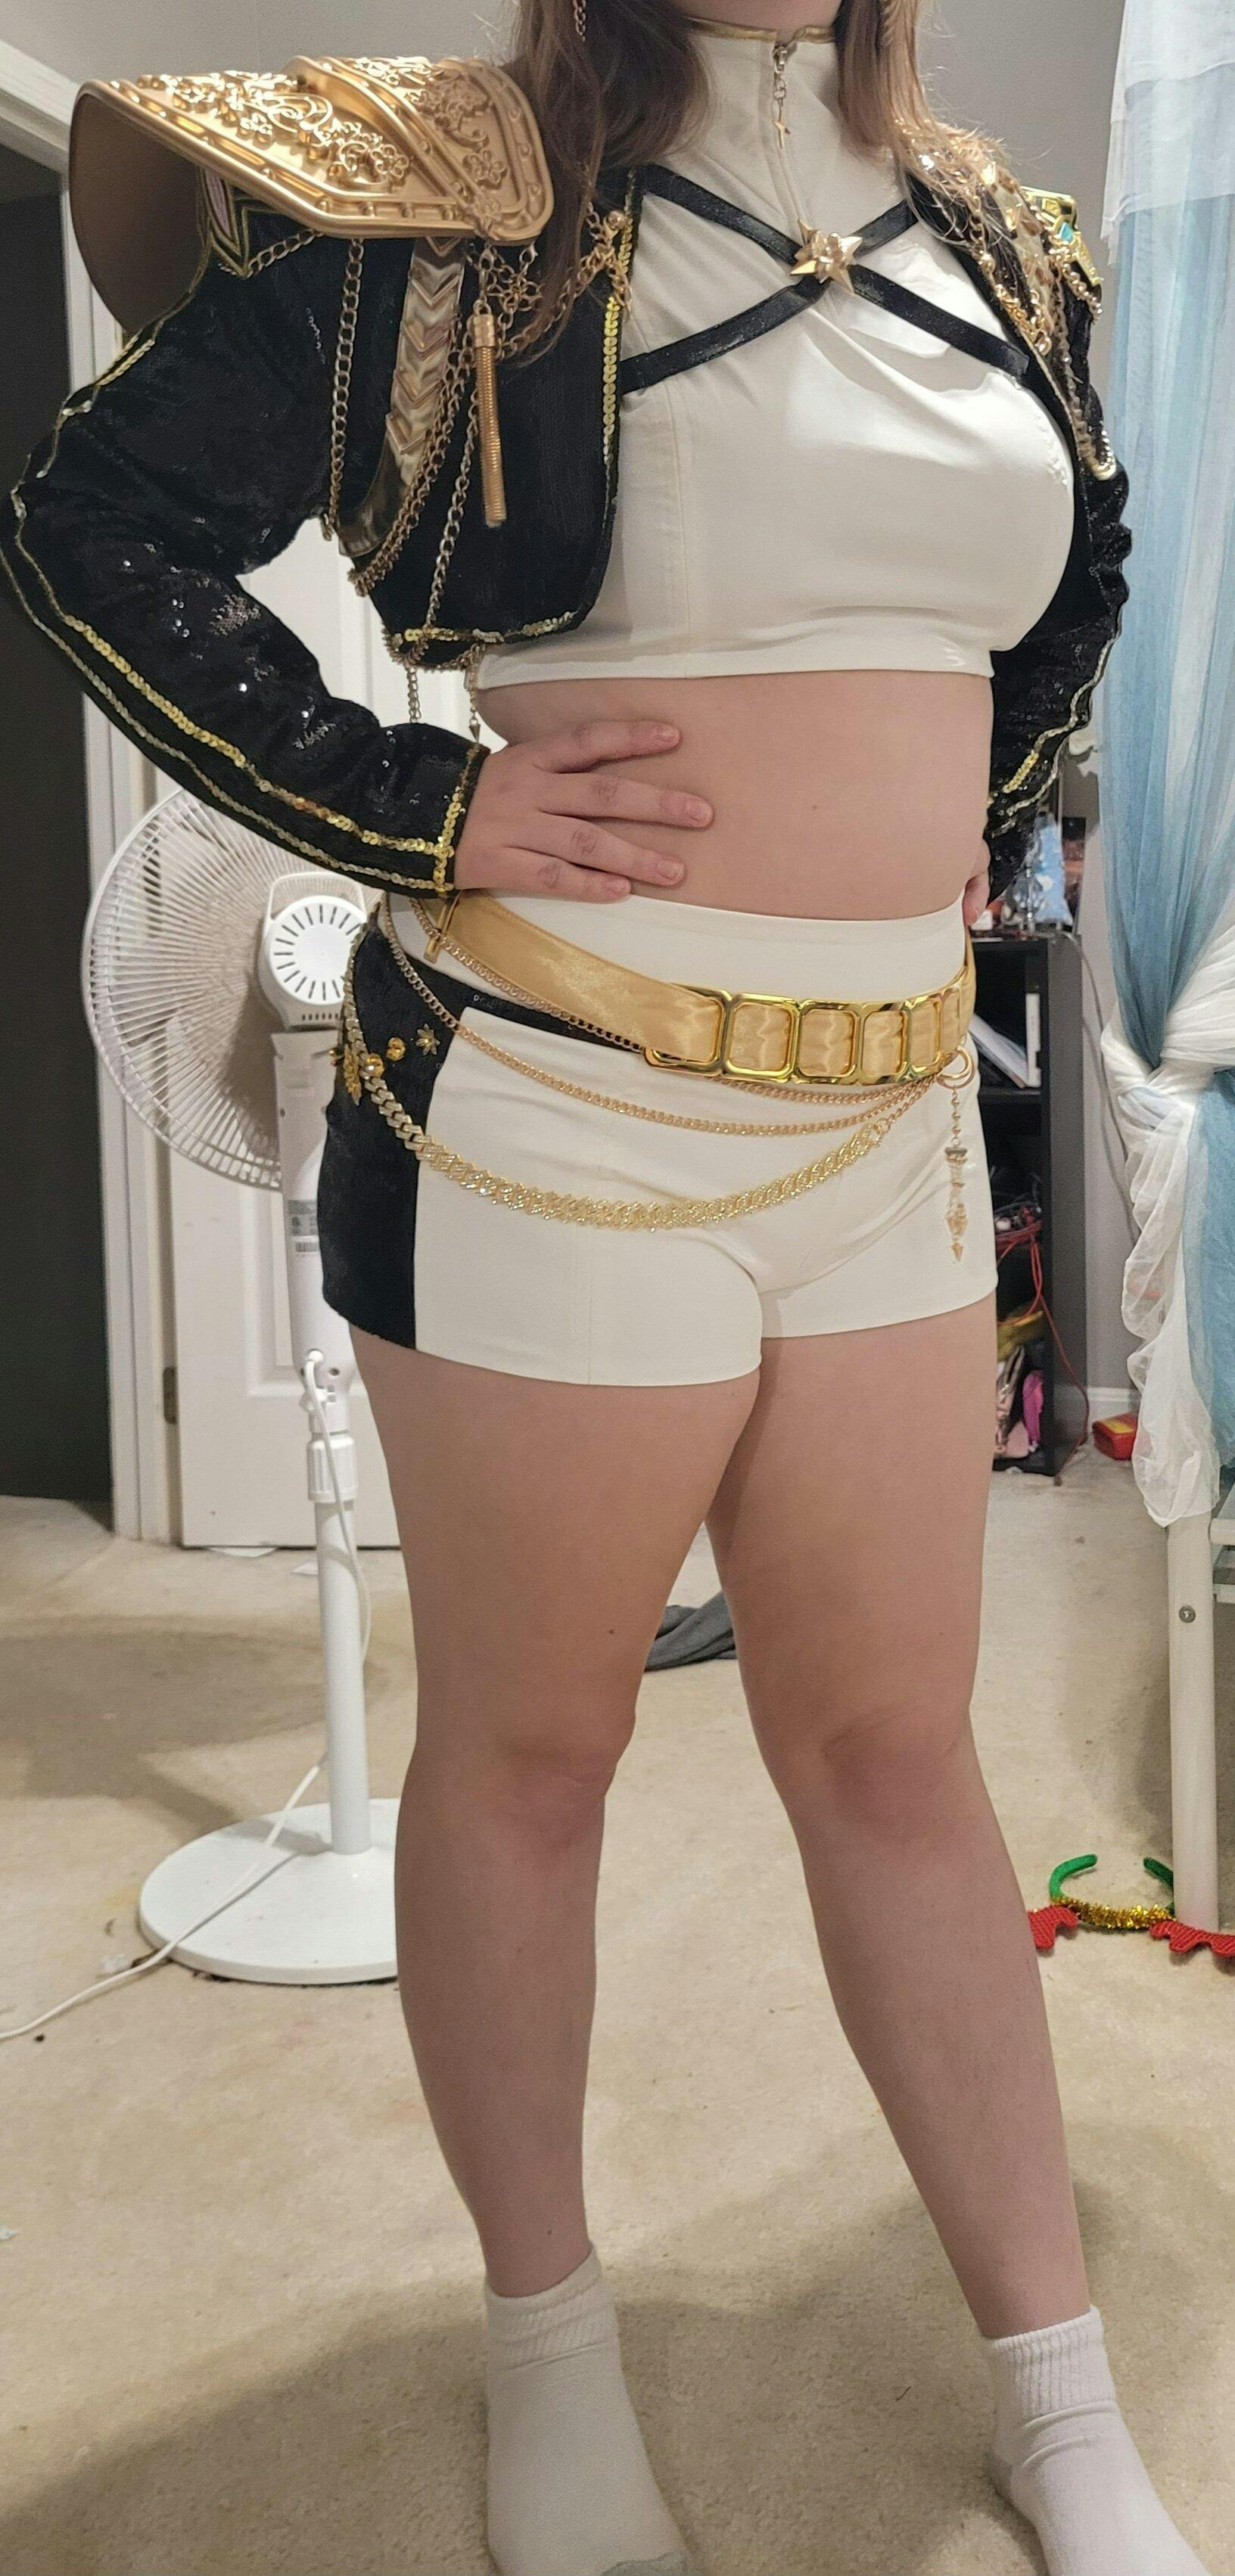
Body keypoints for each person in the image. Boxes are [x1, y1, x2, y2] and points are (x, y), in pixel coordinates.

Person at [1, 8, 1206, 2574]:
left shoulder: (1010, 242)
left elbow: (1076, 593)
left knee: (901, 1759)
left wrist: (954, 824)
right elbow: (99, 526)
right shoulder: (447, 194)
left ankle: (1061, 2395)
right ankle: (546, 2353)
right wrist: (418, 801)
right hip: (552, 1107)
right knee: (535, 1760)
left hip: (889, 1128)